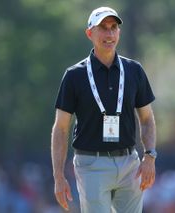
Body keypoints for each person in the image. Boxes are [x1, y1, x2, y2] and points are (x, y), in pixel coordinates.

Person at [51, 6, 157, 213]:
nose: (109, 34)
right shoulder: (75, 76)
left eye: (113, 27)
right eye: (103, 28)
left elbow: (147, 119)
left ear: (119, 32)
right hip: (91, 165)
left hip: (129, 164)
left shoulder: (134, 71)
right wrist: (58, 176)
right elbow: (61, 128)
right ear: (89, 33)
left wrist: (150, 156)